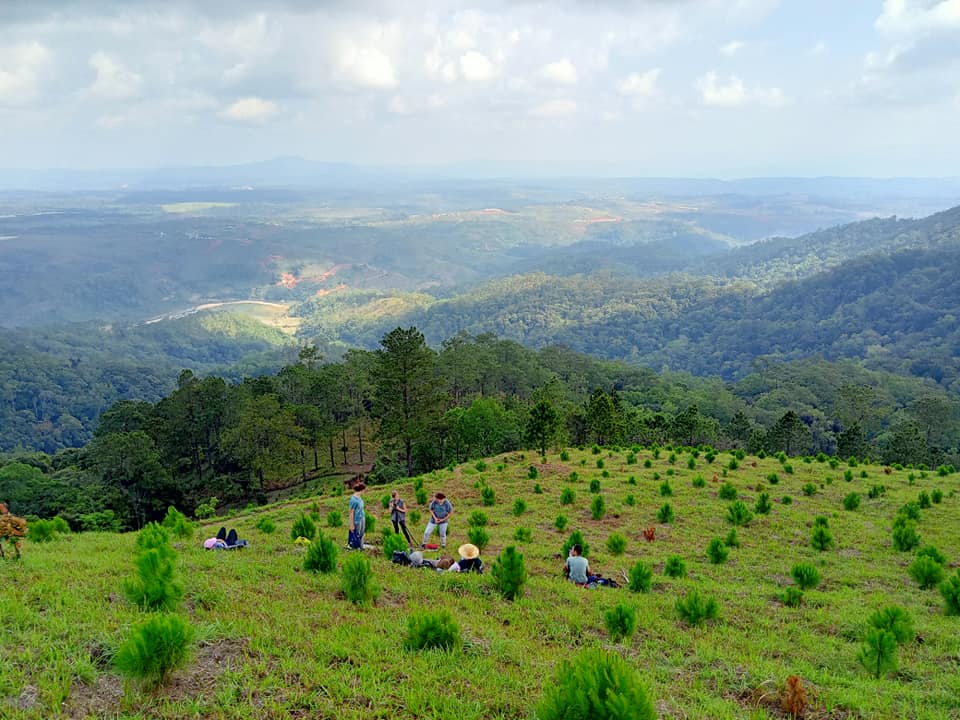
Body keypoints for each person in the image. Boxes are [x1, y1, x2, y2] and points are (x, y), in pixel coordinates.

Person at [348, 482, 366, 549]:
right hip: (357, 520)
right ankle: (355, 547)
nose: (365, 491)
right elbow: (351, 512)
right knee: (356, 534)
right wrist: (351, 525)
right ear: (362, 490)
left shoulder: (360, 497)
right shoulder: (353, 499)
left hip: (362, 517)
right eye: (364, 490)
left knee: (362, 533)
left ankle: (361, 546)